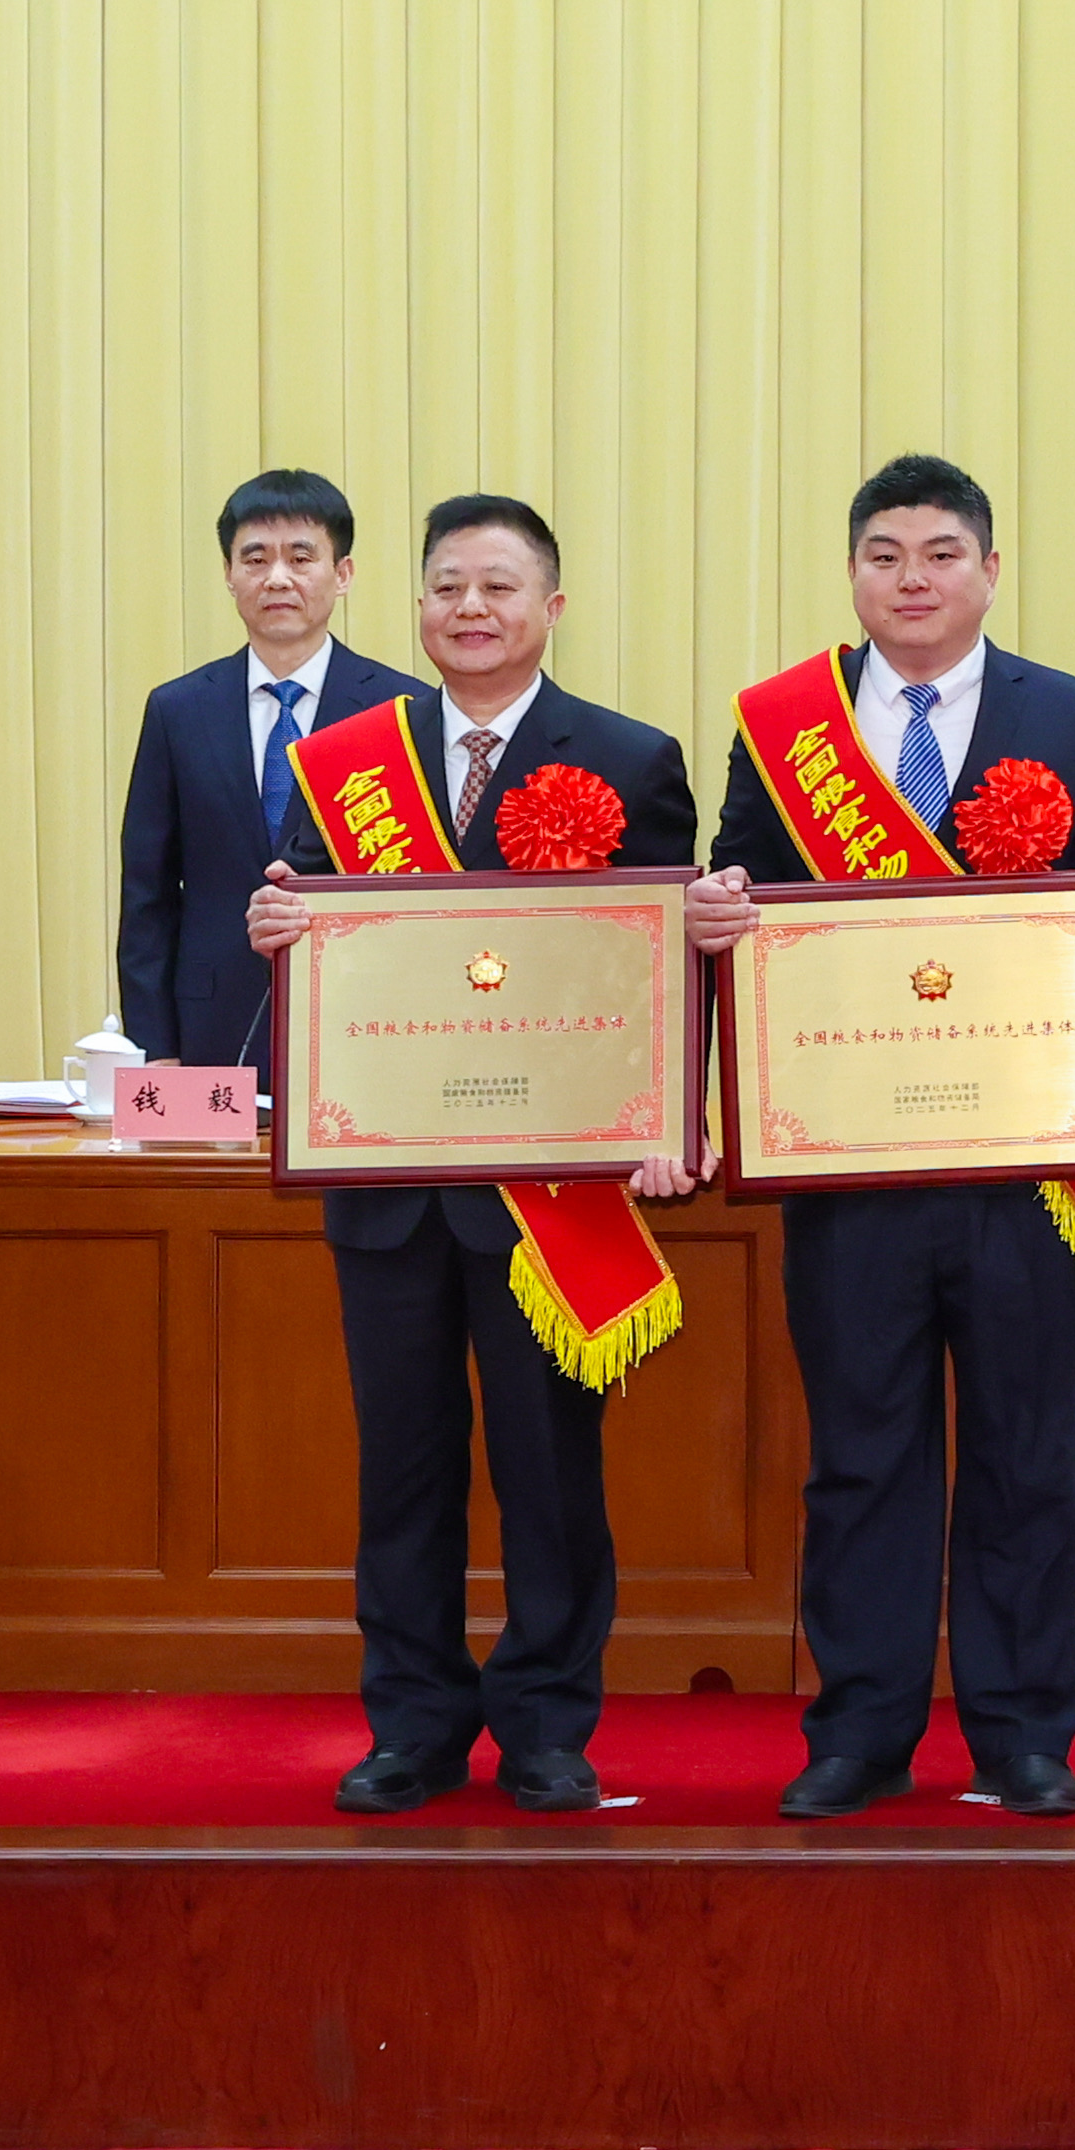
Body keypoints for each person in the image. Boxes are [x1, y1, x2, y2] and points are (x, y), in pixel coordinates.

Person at [695, 455, 1075, 1821]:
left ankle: (1022, 1732)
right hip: (850, 1161)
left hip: (1027, 1159)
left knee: (1027, 1451)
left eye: (940, 553)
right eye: (886, 554)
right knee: (861, 1453)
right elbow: (737, 902)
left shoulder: (1073, 715)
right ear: (853, 572)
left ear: (989, 570)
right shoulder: (782, 728)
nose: (912, 578)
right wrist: (713, 918)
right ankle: (860, 1729)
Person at [244, 492, 701, 1815]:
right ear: (417, 606)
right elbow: (318, 938)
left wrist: (669, 1122)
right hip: (389, 1181)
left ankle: (549, 1723)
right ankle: (414, 1723)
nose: (471, 608)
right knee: (403, 1468)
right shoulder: (347, 764)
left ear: (548, 607)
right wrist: (278, 928)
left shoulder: (628, 757)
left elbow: (664, 963)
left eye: (498, 587)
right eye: (448, 586)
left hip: (552, 1186)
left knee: (549, 1468)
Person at [117, 471, 418, 1075]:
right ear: (229, 575)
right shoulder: (178, 710)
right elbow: (148, 896)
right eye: (255, 558)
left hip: (363, 1017)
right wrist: (156, 1050)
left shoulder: (401, 710)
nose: (277, 577)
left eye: (301, 558)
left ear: (343, 574)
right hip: (211, 1025)